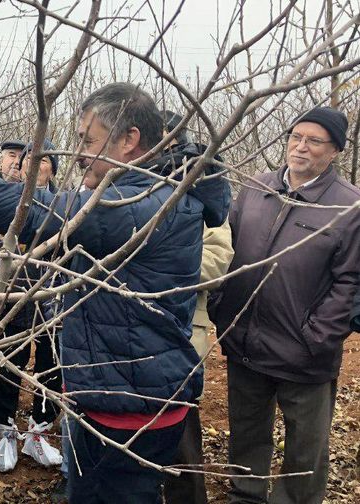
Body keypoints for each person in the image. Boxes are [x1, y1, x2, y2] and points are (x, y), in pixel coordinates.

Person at [0, 83, 231, 503]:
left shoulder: (147, 202)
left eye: (88, 141)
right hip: (115, 395)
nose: (79, 153)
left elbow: (39, 212)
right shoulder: (150, 191)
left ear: (129, 139)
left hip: (129, 410)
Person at [210, 106, 360, 504]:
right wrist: (223, 309)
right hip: (245, 343)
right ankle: (246, 496)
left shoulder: (349, 206)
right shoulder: (257, 187)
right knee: (246, 435)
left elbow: (351, 282)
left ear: (336, 150)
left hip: (304, 354)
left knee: (305, 451)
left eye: (314, 141)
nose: (300, 147)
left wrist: (315, 337)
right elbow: (226, 248)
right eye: (296, 137)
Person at [158, 110, 233, 504]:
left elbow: (218, 259)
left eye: (166, 139)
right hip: (121, 332)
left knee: (181, 436)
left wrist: (158, 265)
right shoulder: (120, 183)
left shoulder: (205, 186)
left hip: (183, 330)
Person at [0, 139, 63, 473]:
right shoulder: (9, 200)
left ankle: (38, 432)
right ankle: (4, 432)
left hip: (54, 302)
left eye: (44, 160)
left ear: (53, 169)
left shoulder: (65, 204)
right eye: (29, 158)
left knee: (50, 368)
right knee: (8, 366)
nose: (35, 164)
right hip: (13, 300)